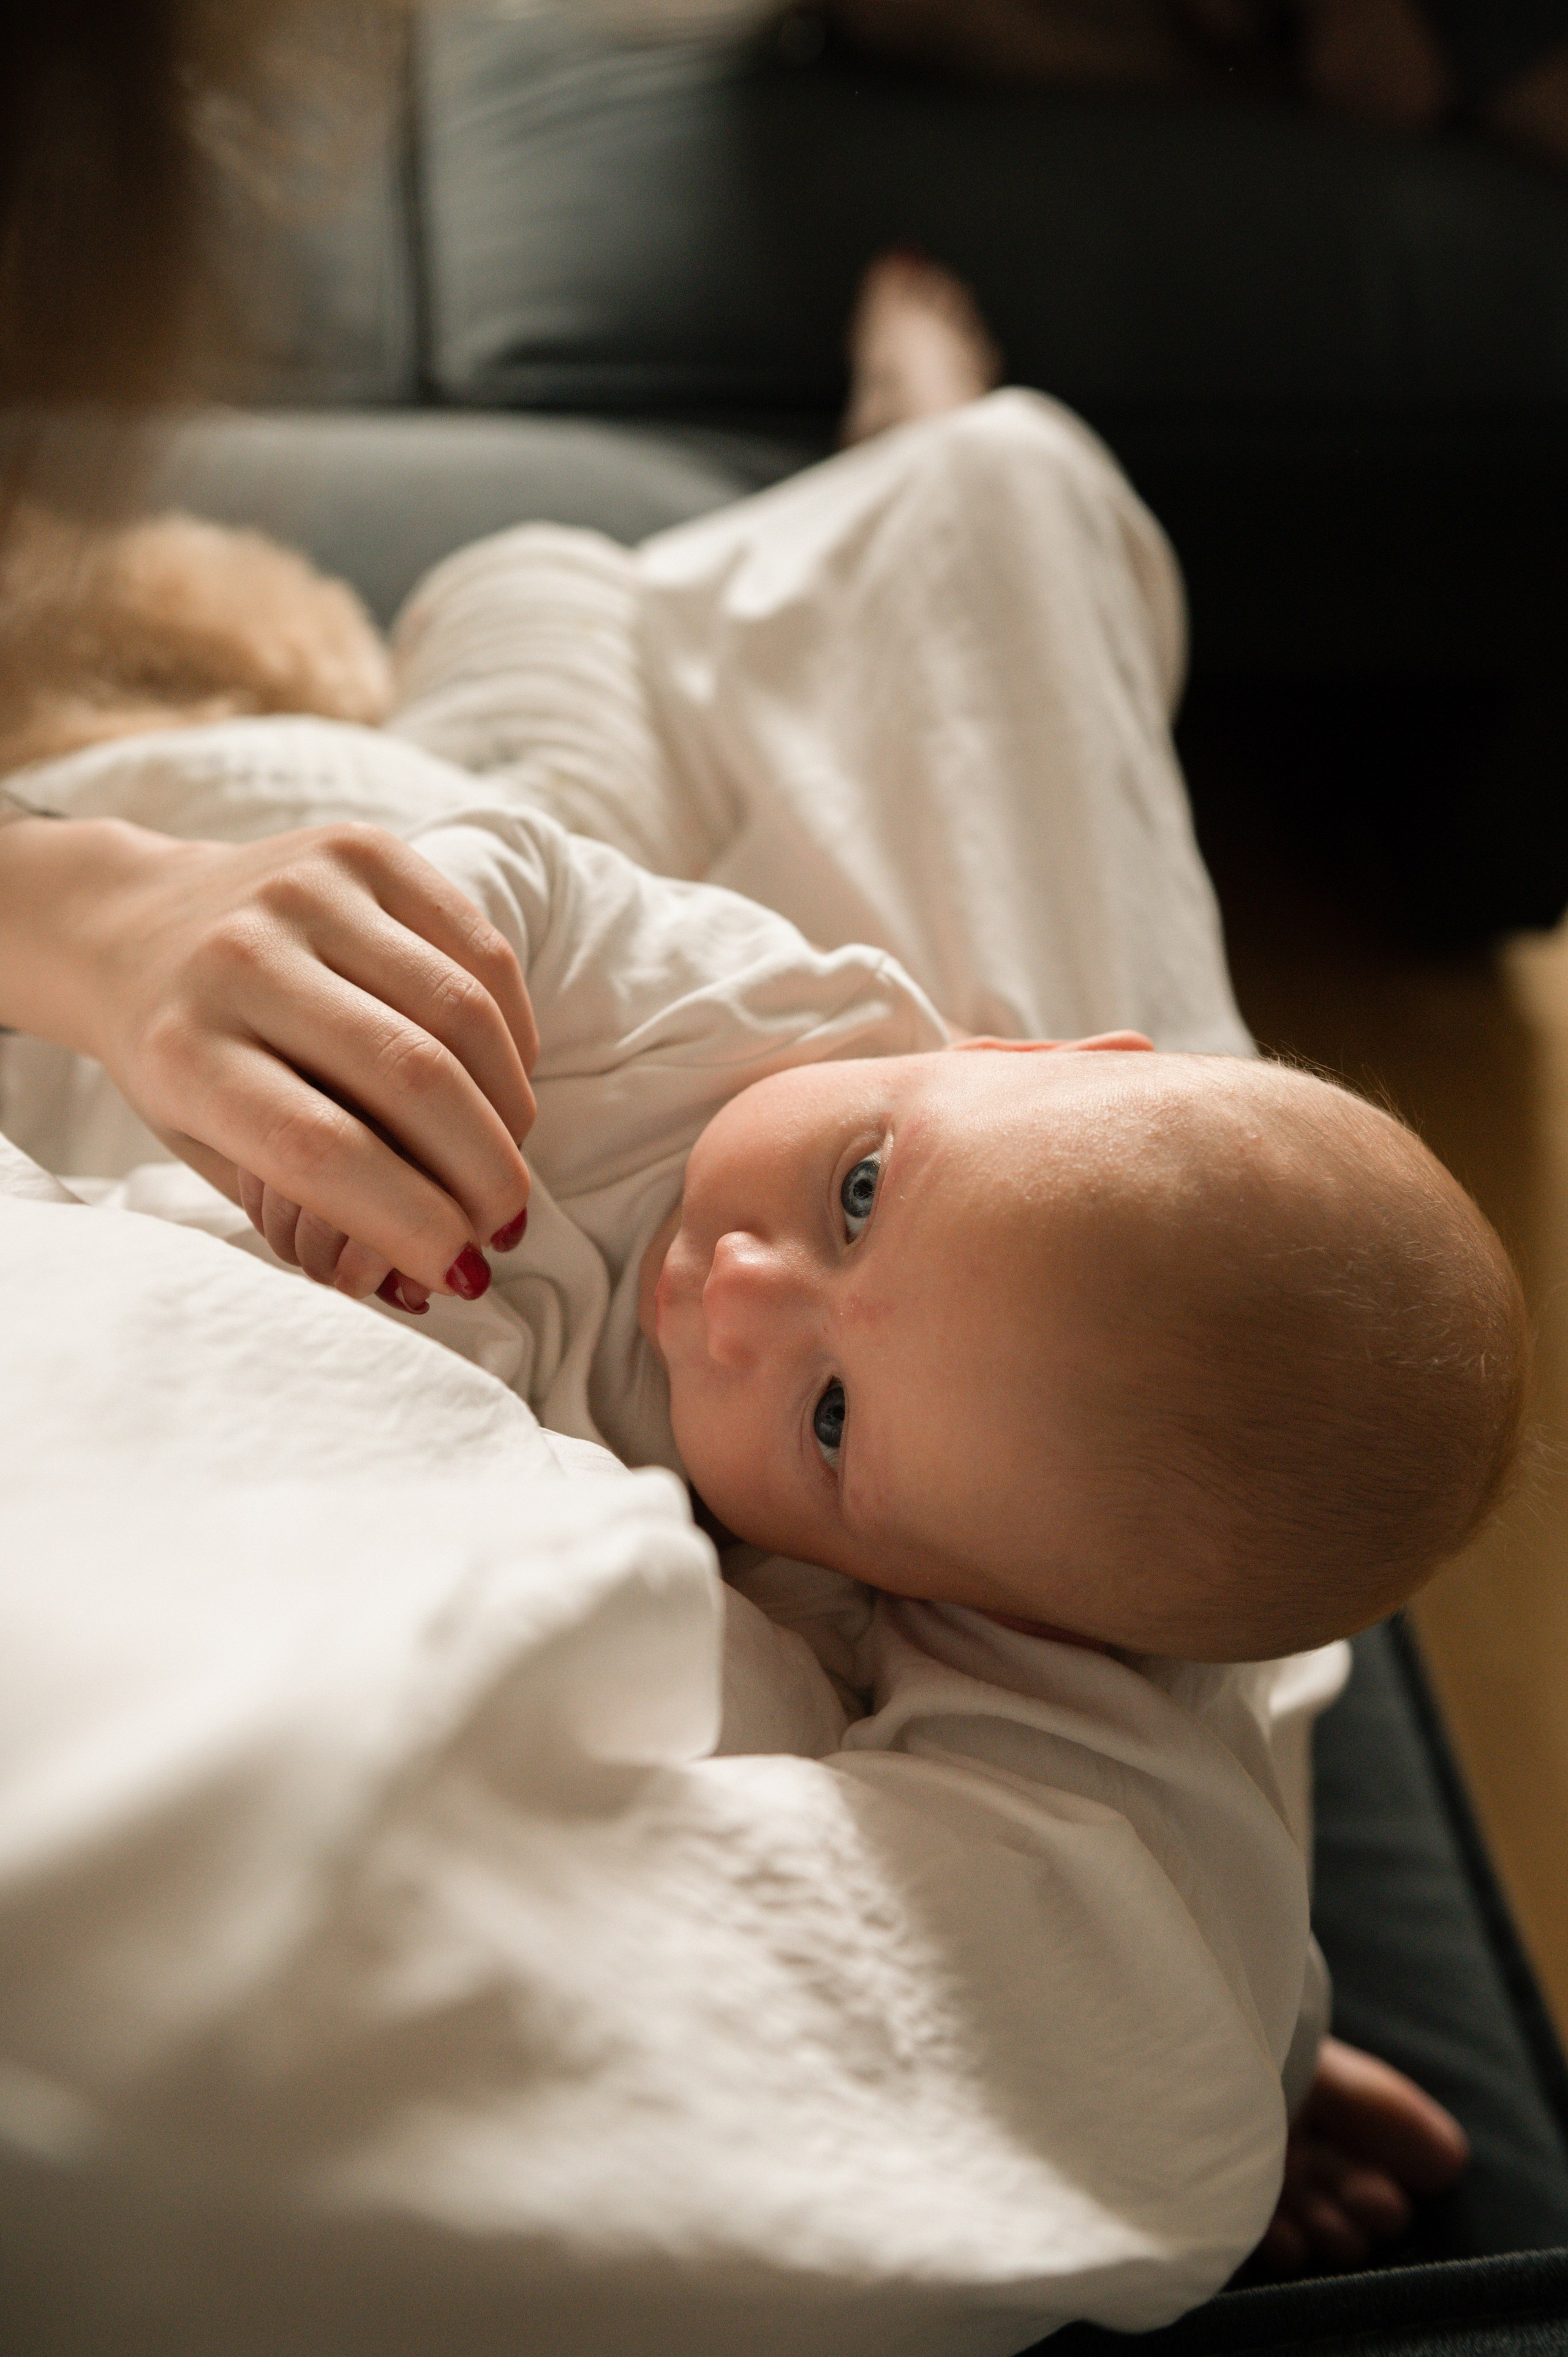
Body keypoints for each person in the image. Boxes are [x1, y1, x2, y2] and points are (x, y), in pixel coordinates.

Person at [3, 254, 1491, 2271]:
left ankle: (872, 504)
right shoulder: (790, 1017)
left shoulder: (877, 1587)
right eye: (865, 1197)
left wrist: (1281, 2027)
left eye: (833, 1413)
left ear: (926, 1589)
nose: (739, 1284)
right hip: (439, 909)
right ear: (1035, 1048)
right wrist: (422, 967)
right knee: (544, 645)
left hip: (123, 1121)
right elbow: (535, 891)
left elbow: (1147, 1785)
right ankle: (888, 467)